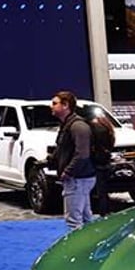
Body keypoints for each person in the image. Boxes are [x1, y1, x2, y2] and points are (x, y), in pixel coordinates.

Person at [50, 91, 96, 230]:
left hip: (78, 179)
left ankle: (78, 250)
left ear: (65, 105)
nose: (51, 106)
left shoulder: (77, 126)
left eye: (54, 103)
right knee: (86, 218)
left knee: (73, 221)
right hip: (80, 178)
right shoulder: (68, 125)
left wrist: (67, 172)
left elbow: (82, 154)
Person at [90, 113, 116, 217]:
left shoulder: (96, 130)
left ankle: (103, 211)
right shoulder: (109, 131)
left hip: (98, 163)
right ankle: (106, 210)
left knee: (100, 191)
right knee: (104, 191)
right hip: (107, 162)